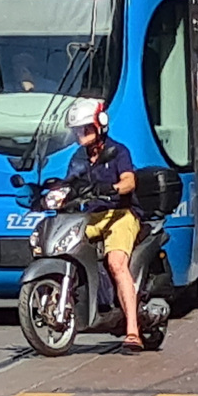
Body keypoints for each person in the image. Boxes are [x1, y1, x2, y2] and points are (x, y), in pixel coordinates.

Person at [64, 99, 144, 351]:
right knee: (64, 246)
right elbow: (70, 184)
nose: (80, 134)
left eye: (86, 128)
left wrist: (113, 189)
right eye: (77, 130)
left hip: (119, 214)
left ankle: (133, 330)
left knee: (116, 263)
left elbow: (129, 181)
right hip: (91, 217)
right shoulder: (79, 157)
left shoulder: (118, 151)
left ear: (100, 126)